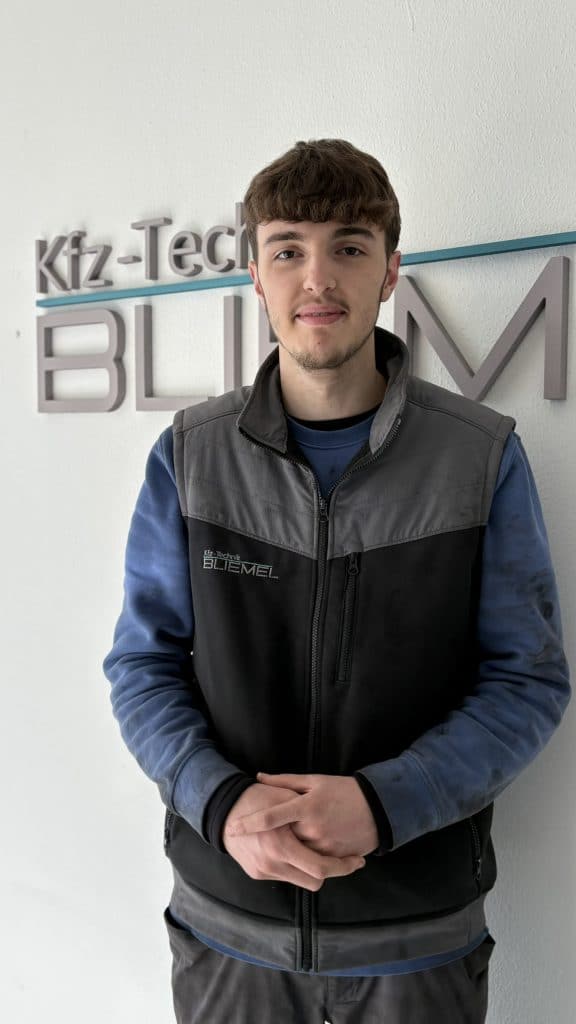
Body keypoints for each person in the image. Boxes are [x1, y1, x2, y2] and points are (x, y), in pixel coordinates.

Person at [103, 138, 570, 1024]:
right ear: (255, 274)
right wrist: (223, 803)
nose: (317, 279)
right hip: (227, 929)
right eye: (288, 249)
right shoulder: (190, 457)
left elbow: (528, 680)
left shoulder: (481, 457)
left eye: (348, 247)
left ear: (390, 270)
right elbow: (142, 666)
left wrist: (385, 805)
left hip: (415, 940)